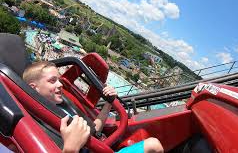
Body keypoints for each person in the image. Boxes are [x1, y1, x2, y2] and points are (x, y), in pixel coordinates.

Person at [23, 61, 164, 153]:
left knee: (154, 144)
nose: (60, 84)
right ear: (34, 88)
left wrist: (109, 103)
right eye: (52, 81)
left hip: (99, 147)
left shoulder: (64, 105)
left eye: (59, 80)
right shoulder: (35, 122)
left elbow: (94, 129)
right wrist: (70, 149)